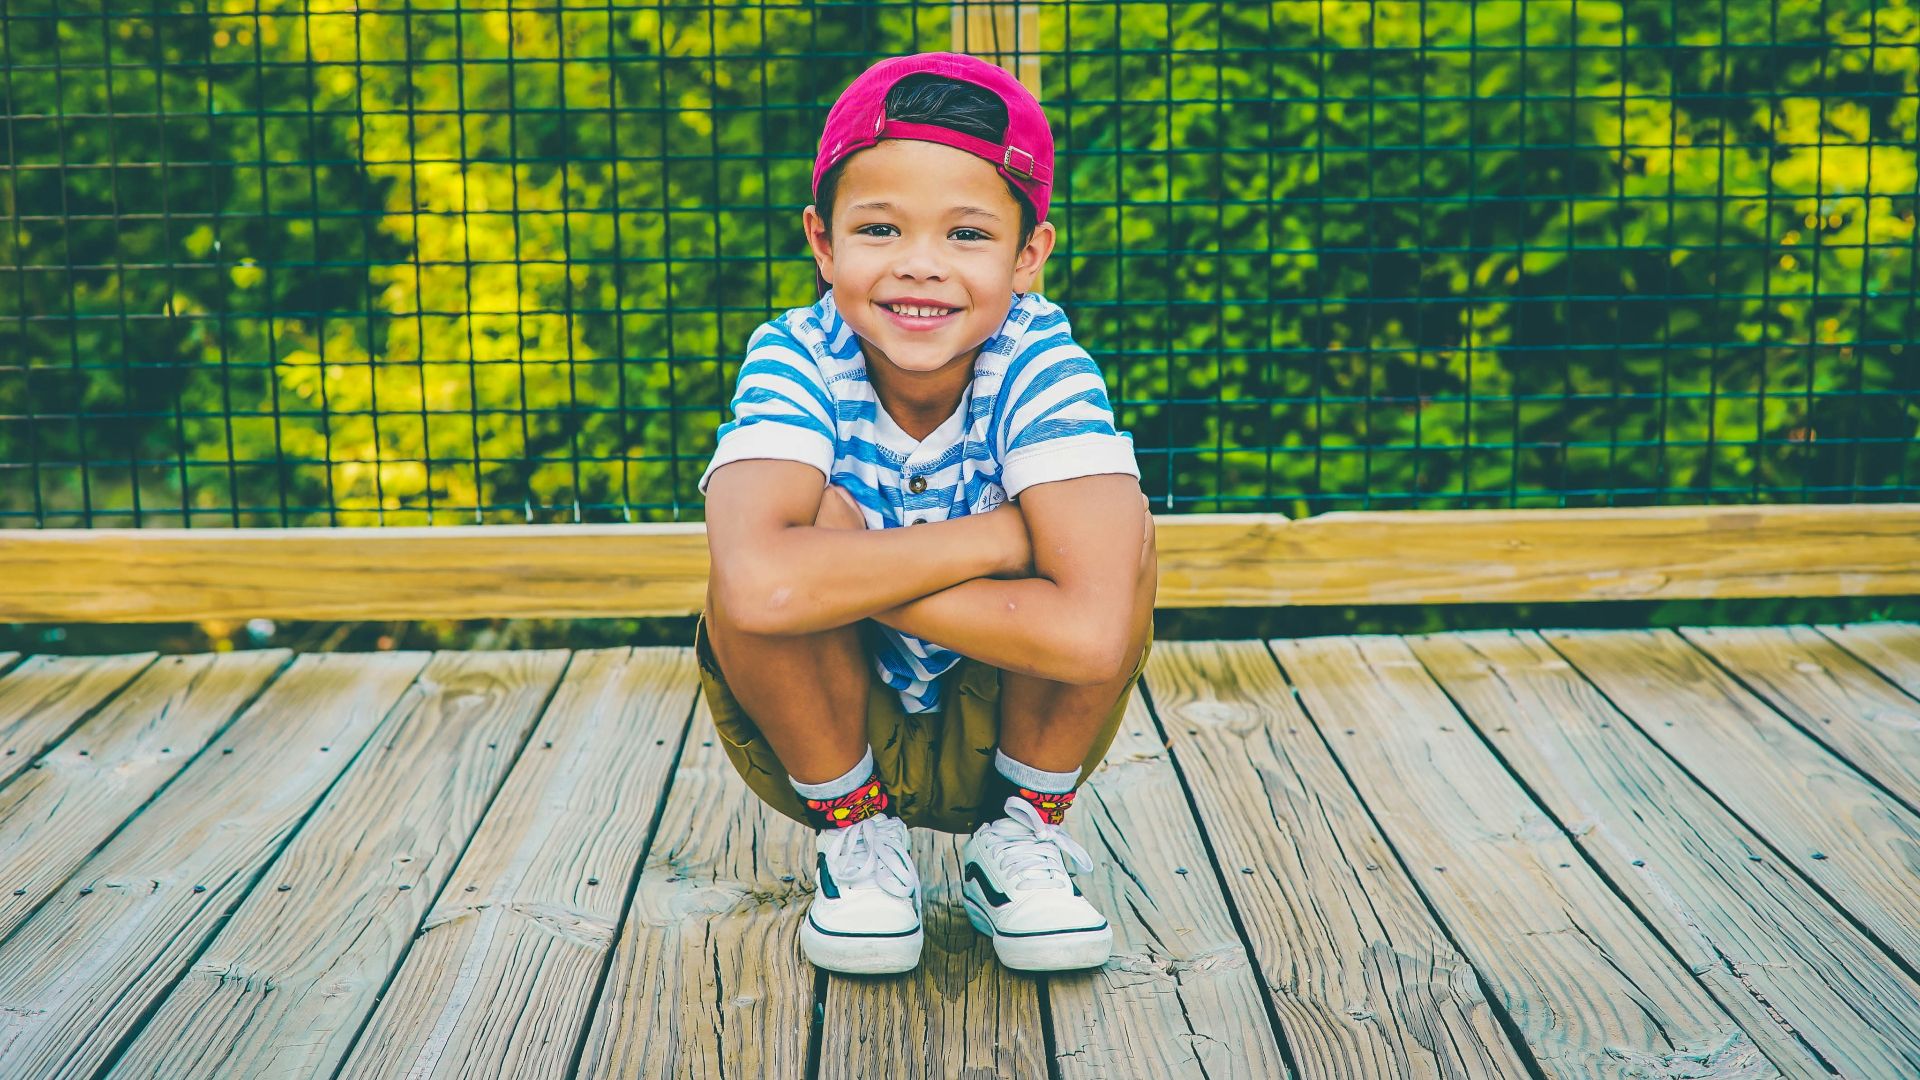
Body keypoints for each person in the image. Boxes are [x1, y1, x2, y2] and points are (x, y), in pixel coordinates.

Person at [693, 52, 1156, 976]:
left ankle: (1022, 840)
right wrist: (995, 537)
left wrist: (835, 575)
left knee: (1118, 527)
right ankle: (856, 843)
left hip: (1007, 709)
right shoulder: (795, 355)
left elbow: (1093, 635)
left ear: (1029, 256)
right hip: (829, 721)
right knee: (786, 520)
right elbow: (753, 588)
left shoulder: (1042, 361)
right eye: (879, 228)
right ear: (823, 245)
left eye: (967, 235)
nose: (919, 266)